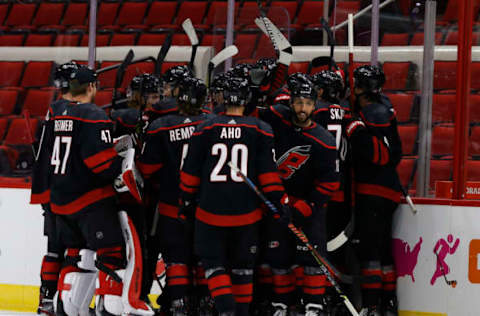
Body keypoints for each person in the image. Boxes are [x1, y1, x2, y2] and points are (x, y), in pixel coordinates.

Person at [179, 77, 287, 316]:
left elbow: (189, 174)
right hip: (247, 216)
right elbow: (269, 175)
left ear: (224, 99)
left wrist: (186, 201)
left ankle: (227, 312)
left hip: (209, 213)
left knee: (214, 265)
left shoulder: (205, 127)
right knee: (242, 269)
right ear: (247, 99)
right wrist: (277, 202)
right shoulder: (260, 129)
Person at [49, 66, 152, 316]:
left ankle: (67, 308)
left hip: (60, 201)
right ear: (92, 87)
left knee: (76, 254)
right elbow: (101, 164)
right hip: (89, 202)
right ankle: (109, 309)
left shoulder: (56, 111)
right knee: (113, 252)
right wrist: (122, 162)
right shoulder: (93, 114)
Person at [258, 76, 339, 316]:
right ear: (291, 102)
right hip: (278, 202)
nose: (302, 108)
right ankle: (281, 304)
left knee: (312, 261)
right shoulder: (278, 118)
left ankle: (313, 305)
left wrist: (308, 206)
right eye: (298, 102)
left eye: (307, 103)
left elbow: (330, 181)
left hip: (308, 207)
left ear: (315, 106)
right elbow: (255, 108)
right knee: (279, 259)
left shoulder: (324, 140)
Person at [138, 77, 214, 315]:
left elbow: (147, 169)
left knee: (176, 258)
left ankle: (178, 304)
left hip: (172, 205)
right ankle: (203, 303)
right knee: (202, 256)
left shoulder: (161, 126)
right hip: (206, 206)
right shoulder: (213, 124)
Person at [346, 65, 402, 316]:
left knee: (370, 251)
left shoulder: (366, 116)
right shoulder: (387, 110)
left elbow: (383, 155)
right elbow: (397, 155)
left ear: (360, 88)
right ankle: (388, 303)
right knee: (383, 250)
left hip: (373, 191)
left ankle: (371, 305)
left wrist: (355, 130)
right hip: (390, 190)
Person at [31, 61, 79, 316]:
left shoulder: (53, 110)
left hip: (51, 191)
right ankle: (66, 302)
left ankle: (46, 301)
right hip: (69, 191)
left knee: (53, 249)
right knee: (72, 250)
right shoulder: (77, 111)